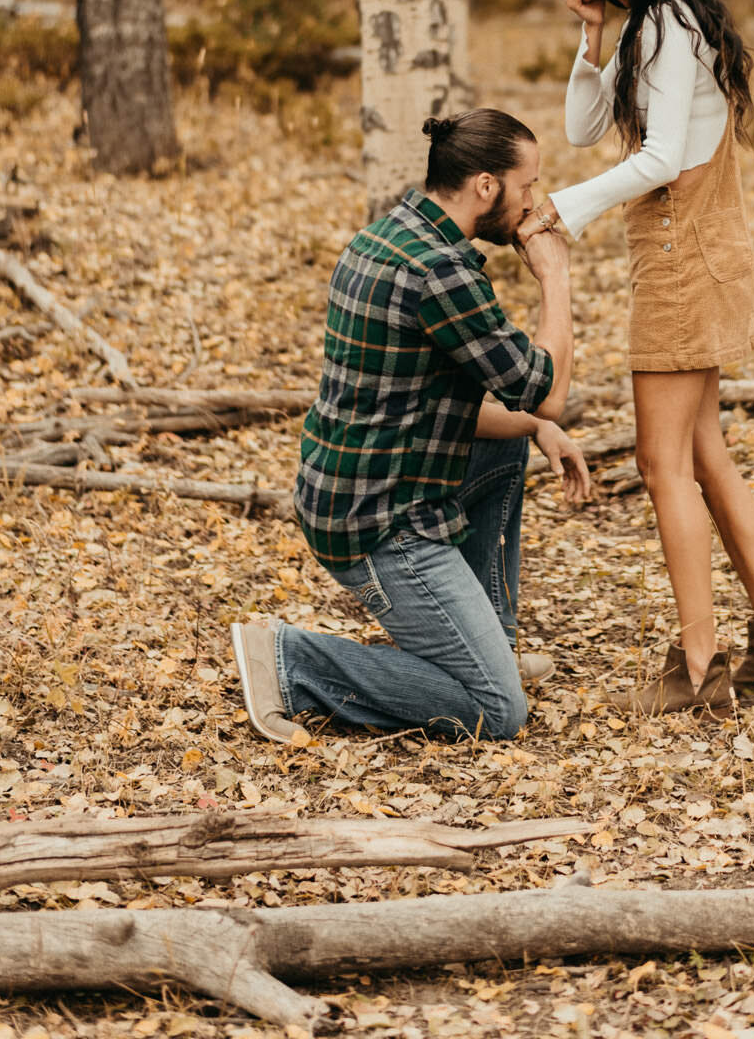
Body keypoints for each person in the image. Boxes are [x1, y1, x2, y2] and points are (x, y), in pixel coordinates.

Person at [520, 0, 754, 716]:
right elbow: (584, 129)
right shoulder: (654, 24)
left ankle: (698, 665)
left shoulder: (666, 29)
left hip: (683, 258)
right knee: (705, 454)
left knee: (662, 465)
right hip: (694, 252)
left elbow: (657, 162)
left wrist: (561, 212)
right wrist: (589, 34)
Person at [230, 108, 588, 743]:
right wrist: (555, 275)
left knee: (512, 439)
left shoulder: (390, 235)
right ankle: (291, 662)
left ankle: (489, 646)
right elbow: (549, 390)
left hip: (348, 489)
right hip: (380, 523)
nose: (534, 203)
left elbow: (430, 401)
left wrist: (535, 428)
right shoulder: (441, 273)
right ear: (486, 186)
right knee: (498, 712)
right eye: (526, 186)